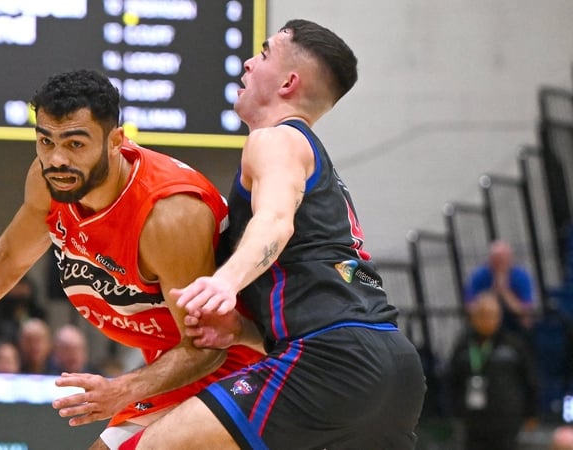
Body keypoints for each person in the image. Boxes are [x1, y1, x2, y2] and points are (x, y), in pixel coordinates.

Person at [0, 69, 262, 449]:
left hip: (241, 363)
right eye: (46, 142)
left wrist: (120, 389)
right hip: (172, 364)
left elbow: (208, 346)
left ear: (116, 141)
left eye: (75, 144)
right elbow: (7, 258)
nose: (57, 159)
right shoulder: (49, 181)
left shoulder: (169, 215)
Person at [123, 19, 426, 449]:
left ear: (288, 82)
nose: (248, 62)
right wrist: (242, 331)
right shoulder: (316, 163)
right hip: (395, 368)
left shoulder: (276, 141)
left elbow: (276, 220)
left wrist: (224, 282)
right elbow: (314, 285)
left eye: (263, 54)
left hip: (331, 358)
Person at [446, 291, 539, 450]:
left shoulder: (514, 345)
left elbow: (530, 380)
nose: (486, 319)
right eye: (481, 315)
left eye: (491, 315)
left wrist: (532, 412)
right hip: (473, 420)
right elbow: (451, 381)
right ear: (473, 317)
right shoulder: (463, 346)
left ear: (499, 317)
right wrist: (454, 411)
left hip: (506, 421)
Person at [465, 239, 535, 335]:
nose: (498, 263)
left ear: (510, 259)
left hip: (513, 322)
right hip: (485, 322)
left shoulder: (521, 276)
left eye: (502, 259)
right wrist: (491, 296)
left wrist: (504, 291)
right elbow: (471, 307)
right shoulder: (479, 275)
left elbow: (525, 310)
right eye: (495, 259)